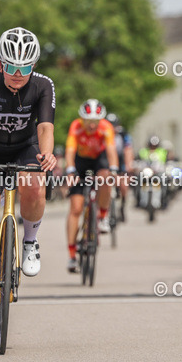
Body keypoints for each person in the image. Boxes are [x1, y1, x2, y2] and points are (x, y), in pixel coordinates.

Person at [0, 27, 57, 326]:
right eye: (12, 66)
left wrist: (47, 155)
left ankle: (30, 241)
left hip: (26, 149)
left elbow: (45, 128)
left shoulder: (43, 86)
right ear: (1, 63)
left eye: (26, 67)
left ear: (34, 65)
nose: (19, 73)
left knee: (35, 185)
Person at [64, 99, 119, 272]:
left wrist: (114, 169)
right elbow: (70, 150)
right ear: (82, 119)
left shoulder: (106, 127)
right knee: (76, 208)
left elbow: (111, 150)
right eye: (89, 121)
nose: (92, 125)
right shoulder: (76, 126)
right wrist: (70, 170)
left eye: (96, 121)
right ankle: (72, 255)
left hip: (99, 159)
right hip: (81, 162)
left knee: (105, 178)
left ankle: (102, 217)